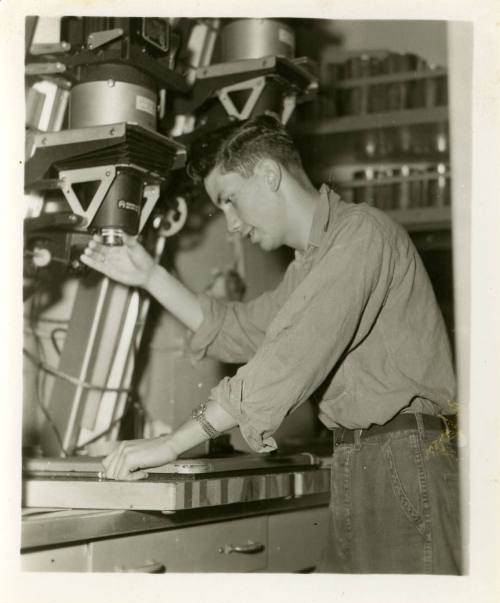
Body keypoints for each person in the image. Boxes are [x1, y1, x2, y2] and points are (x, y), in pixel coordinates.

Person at [80, 114, 461, 574]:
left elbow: (287, 358)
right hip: (364, 459)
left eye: (231, 201)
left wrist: (173, 443)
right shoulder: (310, 265)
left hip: (402, 458)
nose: (233, 225)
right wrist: (151, 277)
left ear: (268, 174)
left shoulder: (362, 233)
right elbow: (240, 329)